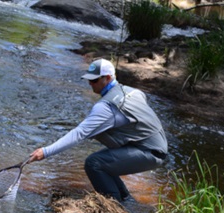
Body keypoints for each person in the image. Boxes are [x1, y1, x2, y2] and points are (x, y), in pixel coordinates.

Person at [29, 58, 168, 202]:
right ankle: (127, 200)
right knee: (105, 161)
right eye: (89, 79)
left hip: (149, 153)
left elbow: (79, 134)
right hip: (156, 147)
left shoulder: (106, 107)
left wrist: (45, 152)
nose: (90, 83)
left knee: (94, 163)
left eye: (94, 80)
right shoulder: (132, 92)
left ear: (107, 78)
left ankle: (113, 206)